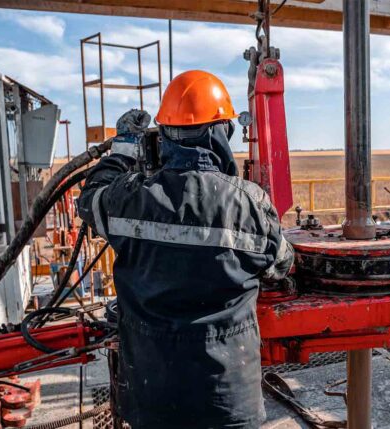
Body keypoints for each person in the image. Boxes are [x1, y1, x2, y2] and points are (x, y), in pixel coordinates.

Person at [78, 70, 294, 428]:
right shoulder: (249, 203)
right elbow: (280, 265)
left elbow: (89, 200)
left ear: (163, 136)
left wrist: (123, 149)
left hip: (153, 398)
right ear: (220, 133)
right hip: (227, 400)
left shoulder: (129, 199)